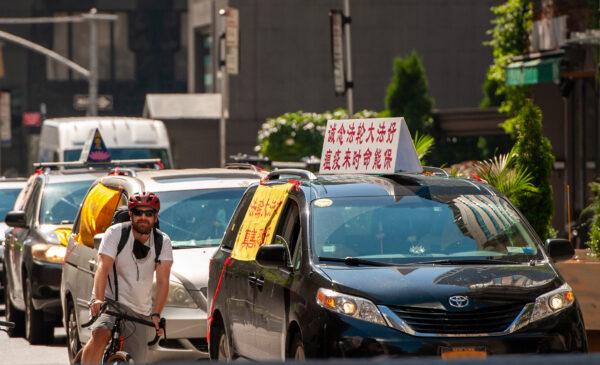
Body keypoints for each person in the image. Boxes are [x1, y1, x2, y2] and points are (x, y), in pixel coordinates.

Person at [81, 192, 173, 364]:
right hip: (109, 301)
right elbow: (103, 267)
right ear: (130, 214)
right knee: (101, 334)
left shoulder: (163, 242)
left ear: (155, 216)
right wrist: (98, 299)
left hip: (140, 309)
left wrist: (156, 314)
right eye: (138, 212)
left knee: (135, 360)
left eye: (149, 213)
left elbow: (162, 281)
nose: (143, 217)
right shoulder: (116, 233)